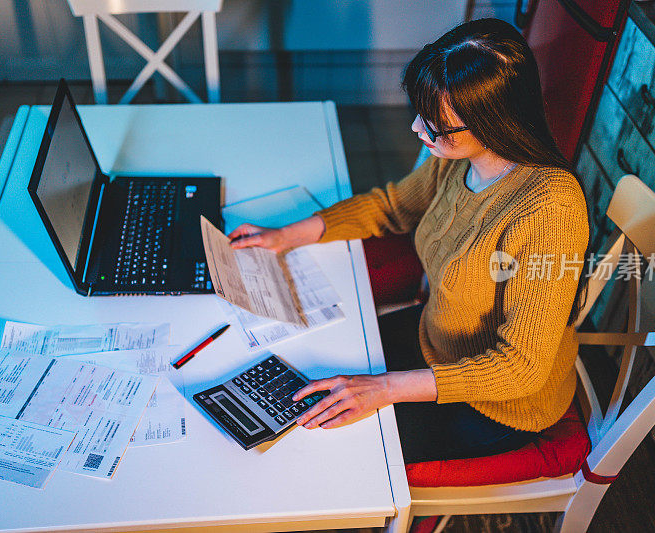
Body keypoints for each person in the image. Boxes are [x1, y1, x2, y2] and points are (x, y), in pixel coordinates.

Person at [228, 18, 590, 463]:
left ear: (495, 123)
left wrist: (386, 388)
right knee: (304, 373)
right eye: (420, 112)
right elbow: (394, 205)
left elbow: (521, 368)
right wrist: (287, 235)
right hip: (434, 340)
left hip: (497, 404)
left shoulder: (550, 210)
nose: (418, 129)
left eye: (435, 125)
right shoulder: (460, 157)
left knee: (326, 447)